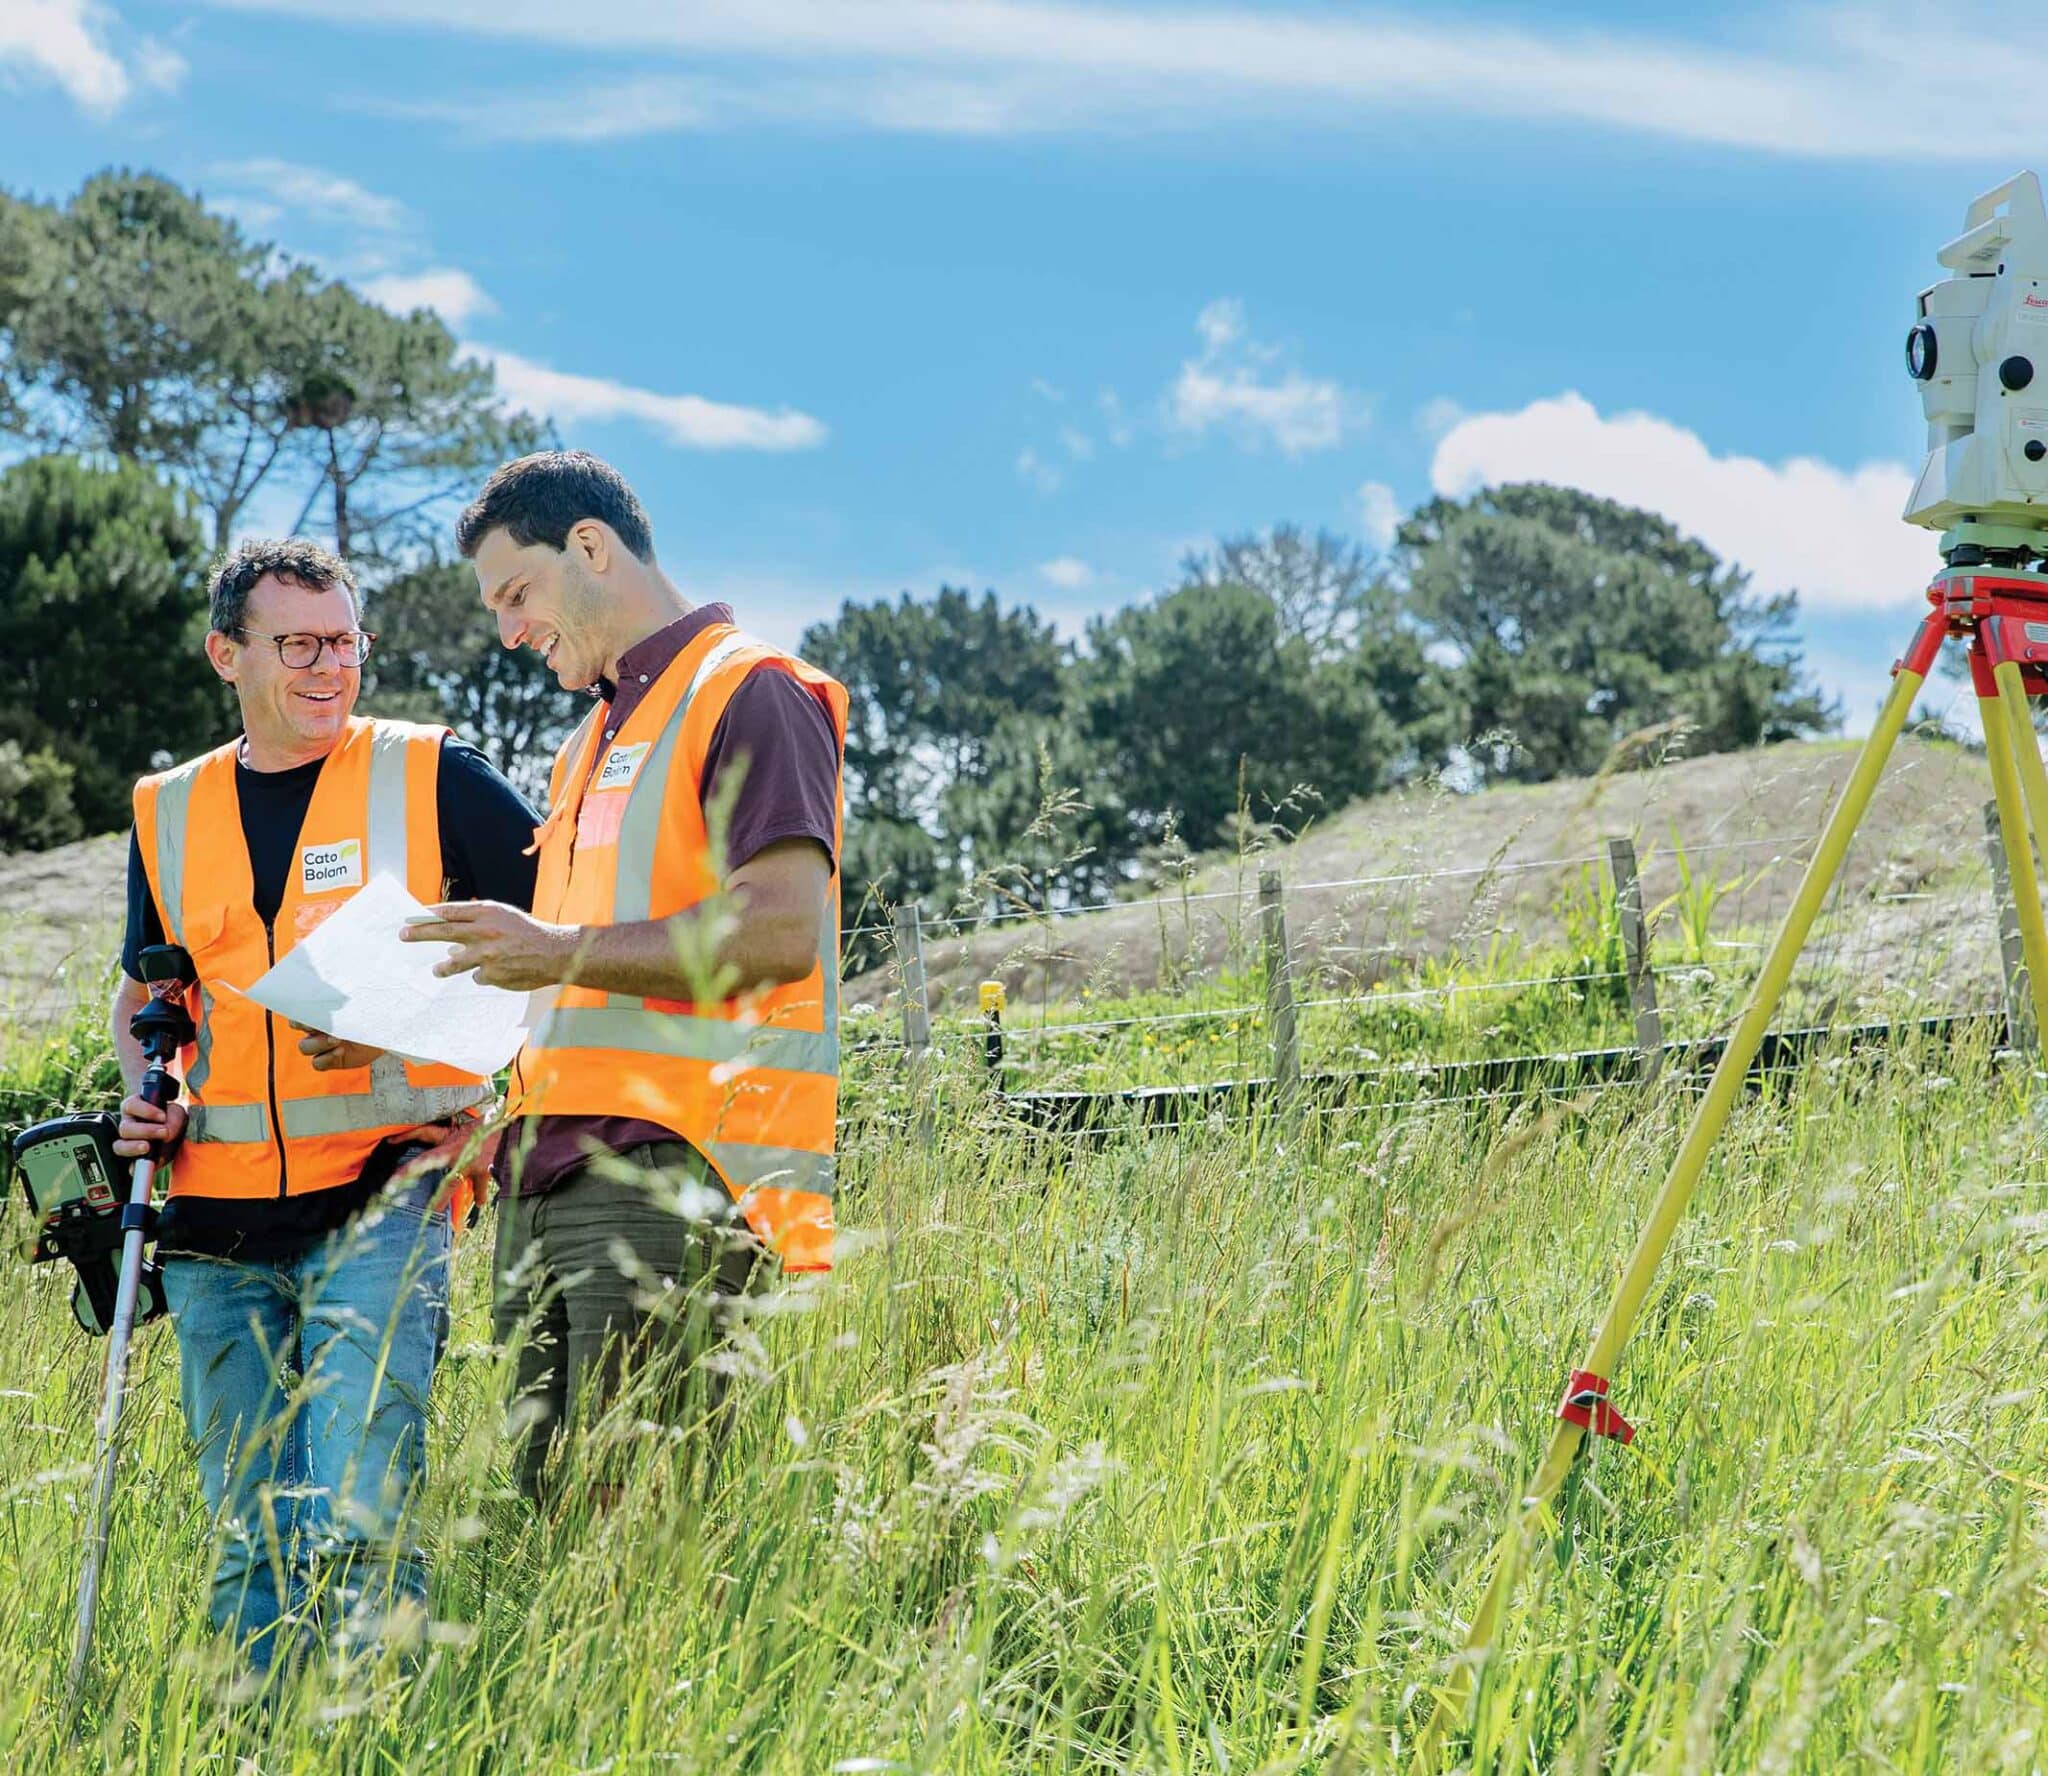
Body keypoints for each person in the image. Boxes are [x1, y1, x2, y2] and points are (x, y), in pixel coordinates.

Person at [112, 538, 540, 1672]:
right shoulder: (166, 810)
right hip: (211, 1220)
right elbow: (148, 997)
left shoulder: (434, 773)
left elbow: (565, 944)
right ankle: (255, 1733)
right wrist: (142, 1094)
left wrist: (491, 1090)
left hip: (388, 1195)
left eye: (344, 641)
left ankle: (370, 1731)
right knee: (245, 1530)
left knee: (358, 1508)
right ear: (227, 655)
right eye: (297, 642)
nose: (327, 666)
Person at [402, 449, 845, 1505]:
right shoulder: (583, 748)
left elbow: (782, 932)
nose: (508, 629)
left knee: (639, 1543)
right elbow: (567, 981)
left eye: (518, 593)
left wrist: (554, 952)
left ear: (590, 547)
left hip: (674, 1176)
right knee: (548, 1526)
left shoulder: (752, 691)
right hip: (548, 1176)